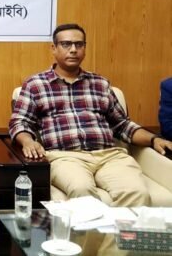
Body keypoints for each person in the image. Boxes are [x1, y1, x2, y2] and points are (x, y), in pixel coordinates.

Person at [9, 23, 172, 207]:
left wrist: (154, 139)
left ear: (84, 49)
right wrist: (28, 141)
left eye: (79, 44)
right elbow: (19, 122)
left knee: (137, 192)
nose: (73, 50)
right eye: (66, 44)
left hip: (109, 156)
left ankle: (121, 228)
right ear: (54, 48)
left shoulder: (100, 83)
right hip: (65, 157)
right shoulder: (36, 85)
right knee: (81, 190)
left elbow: (122, 125)